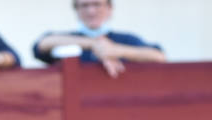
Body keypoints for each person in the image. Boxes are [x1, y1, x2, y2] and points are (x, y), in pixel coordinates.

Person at [32, 0, 165, 79]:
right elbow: (43, 44)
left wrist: (115, 51)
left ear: (109, 8)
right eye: (84, 5)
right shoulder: (68, 38)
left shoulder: (126, 39)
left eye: (97, 4)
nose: (91, 11)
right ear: (76, 10)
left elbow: (159, 56)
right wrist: (95, 44)